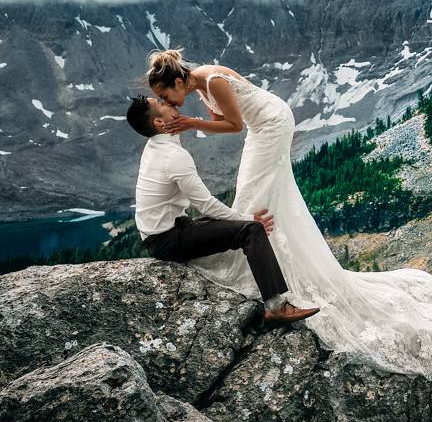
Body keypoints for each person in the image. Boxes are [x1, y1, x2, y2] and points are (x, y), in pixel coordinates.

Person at [143, 48, 432, 377]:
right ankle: (262, 253)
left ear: (179, 82)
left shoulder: (213, 83)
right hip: (267, 123)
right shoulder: (202, 82)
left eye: (164, 94)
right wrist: (199, 120)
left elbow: (236, 124)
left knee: (254, 193)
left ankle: (258, 262)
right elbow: (224, 116)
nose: (167, 102)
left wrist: (188, 123)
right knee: (254, 191)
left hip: (269, 125)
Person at [125, 93, 319, 324]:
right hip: (167, 240)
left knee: (226, 226)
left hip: (165, 232)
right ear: (158, 122)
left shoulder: (156, 145)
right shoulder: (173, 156)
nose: (166, 101)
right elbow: (205, 204)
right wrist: (248, 219)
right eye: (161, 103)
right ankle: (275, 306)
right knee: (251, 231)